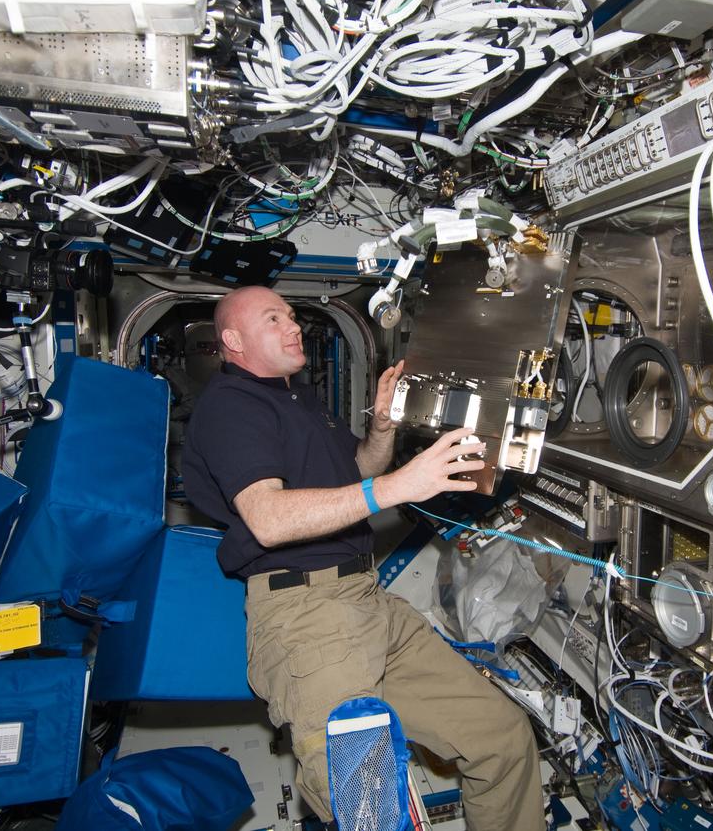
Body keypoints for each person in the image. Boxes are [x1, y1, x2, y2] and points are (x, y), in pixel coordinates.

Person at [181, 286, 545, 831]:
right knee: (367, 807)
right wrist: (398, 486)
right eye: (273, 318)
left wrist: (382, 429)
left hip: (367, 600)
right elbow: (268, 517)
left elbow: (357, 470)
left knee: (503, 738)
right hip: (308, 617)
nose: (293, 325)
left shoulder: (296, 398)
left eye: (293, 315)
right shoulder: (232, 407)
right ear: (233, 341)